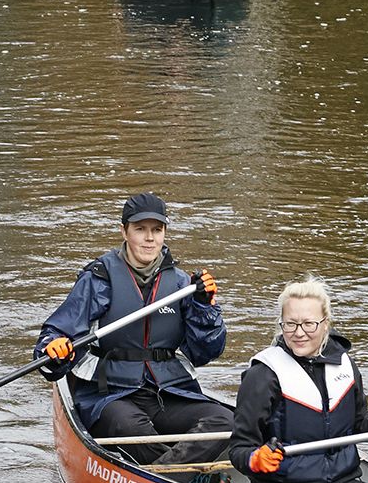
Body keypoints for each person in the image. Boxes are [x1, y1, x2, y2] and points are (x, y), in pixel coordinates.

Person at [36, 192, 231, 462]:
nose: (149, 238)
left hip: (168, 392)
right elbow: (57, 335)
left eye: (157, 230)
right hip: (110, 395)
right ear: (124, 231)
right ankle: (189, 478)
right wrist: (54, 348)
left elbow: (207, 352)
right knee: (130, 429)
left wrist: (204, 308)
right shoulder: (99, 279)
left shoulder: (183, 285)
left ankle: (170, 477)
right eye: (140, 229)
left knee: (227, 423)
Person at [229, 277, 368, 483]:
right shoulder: (263, 375)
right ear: (282, 324)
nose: (299, 333)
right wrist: (254, 459)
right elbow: (239, 448)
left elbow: (358, 422)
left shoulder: (345, 365)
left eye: (309, 324)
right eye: (291, 324)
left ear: (325, 323)